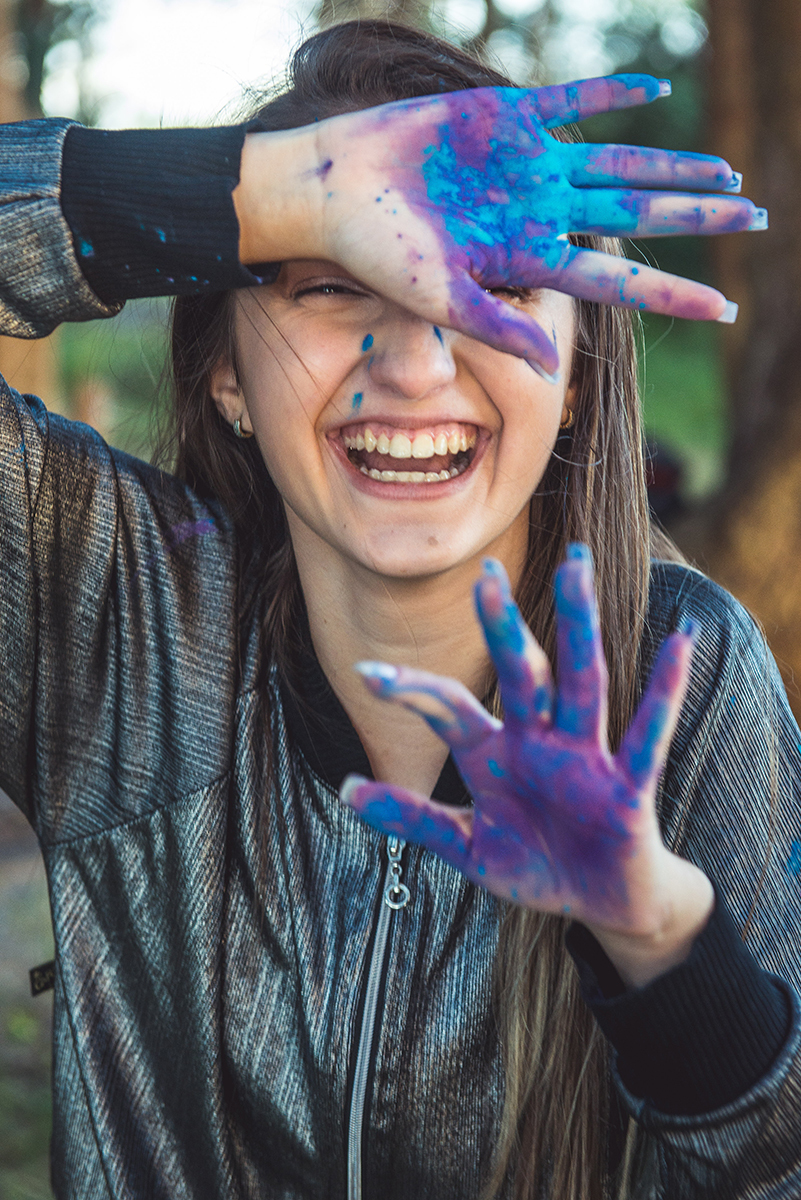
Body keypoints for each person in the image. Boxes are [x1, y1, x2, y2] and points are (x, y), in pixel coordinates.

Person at [0, 18, 798, 1200]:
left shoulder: (685, 675)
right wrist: (262, 187)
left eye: (499, 279)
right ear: (224, 367)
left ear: (577, 378)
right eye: (331, 279)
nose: (419, 365)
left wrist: (667, 951)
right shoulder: (105, 600)